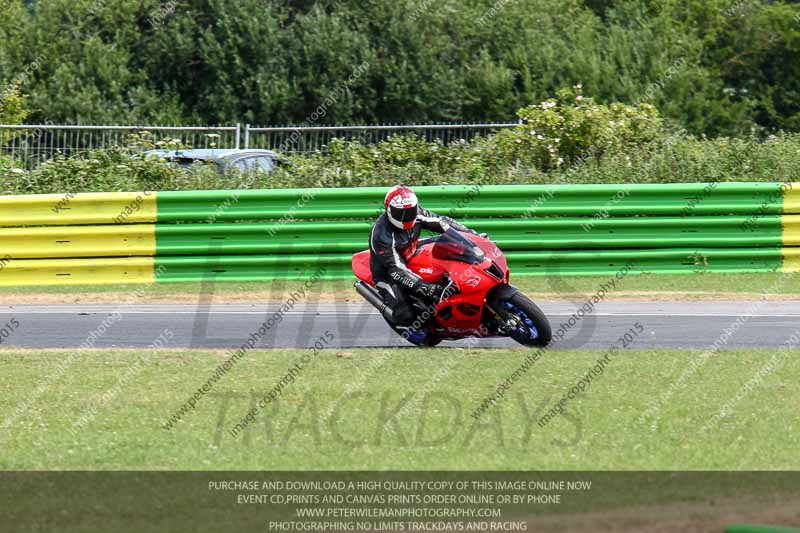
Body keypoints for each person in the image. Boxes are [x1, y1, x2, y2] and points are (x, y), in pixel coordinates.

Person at [369, 185, 481, 329]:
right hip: (387, 272)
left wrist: (472, 236)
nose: (407, 216)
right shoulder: (381, 235)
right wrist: (425, 287)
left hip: (412, 251)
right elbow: (396, 269)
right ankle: (409, 324)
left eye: (410, 211)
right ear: (389, 210)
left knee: (451, 246)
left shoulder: (417, 214)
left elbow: (444, 223)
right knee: (406, 316)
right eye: (400, 212)